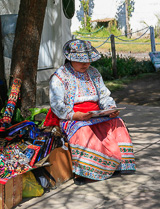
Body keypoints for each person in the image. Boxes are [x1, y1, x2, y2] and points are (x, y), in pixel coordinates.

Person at [44, 39, 136, 185]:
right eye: (81, 61)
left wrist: (110, 108)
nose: (85, 64)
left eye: (88, 60)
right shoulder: (59, 77)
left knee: (117, 122)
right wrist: (75, 115)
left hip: (95, 113)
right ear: (70, 58)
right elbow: (57, 104)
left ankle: (119, 164)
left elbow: (104, 95)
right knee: (83, 130)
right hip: (71, 117)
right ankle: (88, 172)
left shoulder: (94, 73)